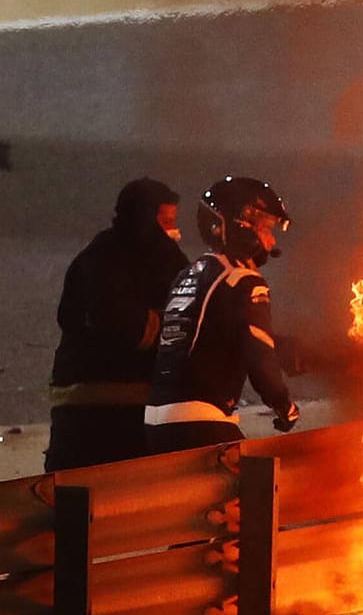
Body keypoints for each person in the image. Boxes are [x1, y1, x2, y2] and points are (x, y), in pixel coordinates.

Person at [145, 176, 300, 453]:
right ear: (242, 225)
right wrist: (283, 404)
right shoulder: (243, 279)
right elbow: (259, 352)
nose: (271, 240)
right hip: (202, 420)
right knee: (268, 482)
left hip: (155, 421)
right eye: (266, 228)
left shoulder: (189, 274)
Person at [44, 178, 191, 471]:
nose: (172, 232)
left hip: (122, 411)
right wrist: (175, 327)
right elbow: (126, 327)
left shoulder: (99, 256)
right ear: (142, 219)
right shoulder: (105, 262)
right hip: (101, 416)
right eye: (165, 221)